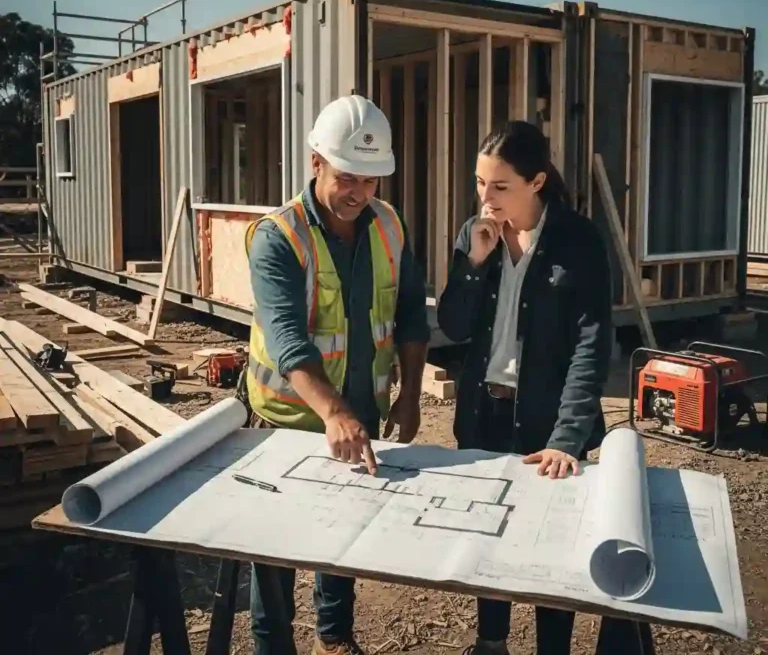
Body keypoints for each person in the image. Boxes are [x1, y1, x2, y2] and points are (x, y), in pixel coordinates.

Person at [437, 121, 651, 655]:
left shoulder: (578, 241)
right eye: (479, 183)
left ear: (536, 182)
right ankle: (491, 642)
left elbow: (591, 344)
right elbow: (456, 326)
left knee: (549, 548)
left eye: (499, 186)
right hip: (484, 415)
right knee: (490, 536)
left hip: (547, 423)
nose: (486, 198)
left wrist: (568, 436)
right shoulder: (475, 233)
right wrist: (475, 263)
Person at [244, 94, 430, 655]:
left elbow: (411, 315)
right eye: (348, 177)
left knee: (341, 538)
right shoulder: (278, 236)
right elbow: (287, 341)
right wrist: (334, 412)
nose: (359, 194)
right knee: (273, 551)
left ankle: (334, 636)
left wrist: (411, 395)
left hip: (359, 413)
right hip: (285, 422)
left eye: (371, 181)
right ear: (315, 161)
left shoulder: (388, 225)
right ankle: (273, 646)